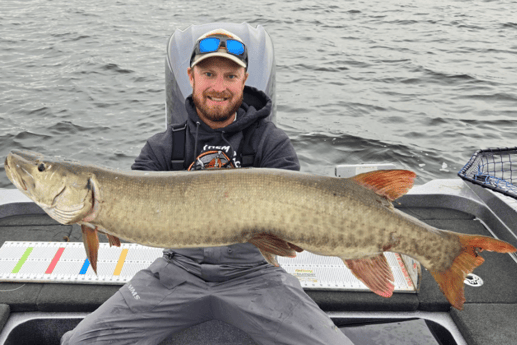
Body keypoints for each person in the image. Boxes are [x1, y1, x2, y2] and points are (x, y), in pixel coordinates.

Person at [61, 28, 355, 345]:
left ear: (244, 80)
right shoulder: (163, 146)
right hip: (177, 274)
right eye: (209, 73)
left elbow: (289, 227)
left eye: (230, 76)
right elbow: (130, 209)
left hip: (254, 276)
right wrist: (95, 215)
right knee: (80, 342)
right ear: (191, 76)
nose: (218, 86)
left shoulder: (271, 143)